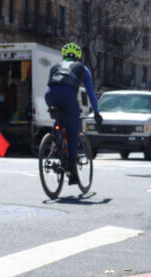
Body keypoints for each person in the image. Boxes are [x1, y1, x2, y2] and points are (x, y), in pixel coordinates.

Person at [45, 42, 103, 185]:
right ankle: (72, 172)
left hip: (50, 95)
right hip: (68, 95)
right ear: (78, 56)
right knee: (72, 132)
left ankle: (55, 142)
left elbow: (51, 85)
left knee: (59, 120)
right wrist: (96, 112)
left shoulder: (55, 67)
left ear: (64, 55)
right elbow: (90, 92)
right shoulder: (82, 68)